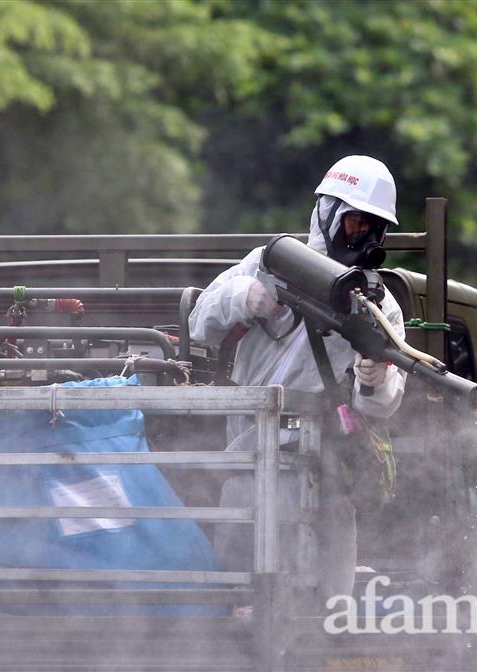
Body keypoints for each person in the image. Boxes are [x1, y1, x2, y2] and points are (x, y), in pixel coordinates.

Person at [188, 155, 407, 584]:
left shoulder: (379, 304)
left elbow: (385, 406)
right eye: (355, 222)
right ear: (328, 212)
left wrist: (375, 383)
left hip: (327, 476)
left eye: (375, 228)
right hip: (252, 462)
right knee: (240, 595)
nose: (364, 237)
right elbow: (199, 325)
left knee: (323, 612)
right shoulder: (267, 264)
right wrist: (242, 296)